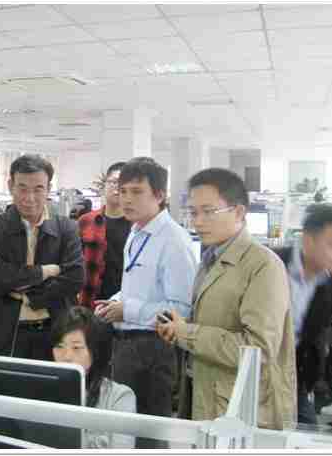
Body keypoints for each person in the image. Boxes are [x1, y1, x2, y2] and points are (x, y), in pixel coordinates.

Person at [156, 168, 296, 430]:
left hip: (239, 410)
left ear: (239, 212)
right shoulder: (209, 259)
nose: (198, 222)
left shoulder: (263, 266)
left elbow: (257, 350)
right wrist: (178, 328)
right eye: (193, 213)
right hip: (203, 394)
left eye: (208, 212)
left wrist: (187, 333)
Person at [94, 157, 197, 448]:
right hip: (126, 344)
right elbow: (136, 286)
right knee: (125, 430)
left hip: (154, 348)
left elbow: (180, 309)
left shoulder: (174, 240)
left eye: (137, 192)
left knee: (149, 433)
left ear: (160, 195)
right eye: (123, 191)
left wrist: (126, 310)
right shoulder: (137, 230)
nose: (126, 199)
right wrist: (113, 302)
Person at [0, 154, 84, 360]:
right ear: (11, 186)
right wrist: (46, 271)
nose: (30, 197)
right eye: (22, 188)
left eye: (38, 189)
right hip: (6, 332)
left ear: (48, 189)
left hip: (56, 330)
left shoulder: (66, 228)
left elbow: (75, 278)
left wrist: (30, 296)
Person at [272, 203, 332, 425]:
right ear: (308, 240)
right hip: (258, 368)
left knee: (306, 433)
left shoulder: (327, 283)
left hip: (296, 378)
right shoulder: (271, 263)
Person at [51, 306, 136, 449]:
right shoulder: (43, 391)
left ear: (94, 351)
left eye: (76, 348)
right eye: (60, 346)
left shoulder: (119, 396)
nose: (66, 357)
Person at [78, 162, 131, 307]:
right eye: (114, 182)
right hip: (90, 300)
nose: (117, 188)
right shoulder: (86, 221)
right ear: (104, 185)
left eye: (123, 184)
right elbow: (75, 262)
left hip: (124, 304)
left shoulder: (137, 225)